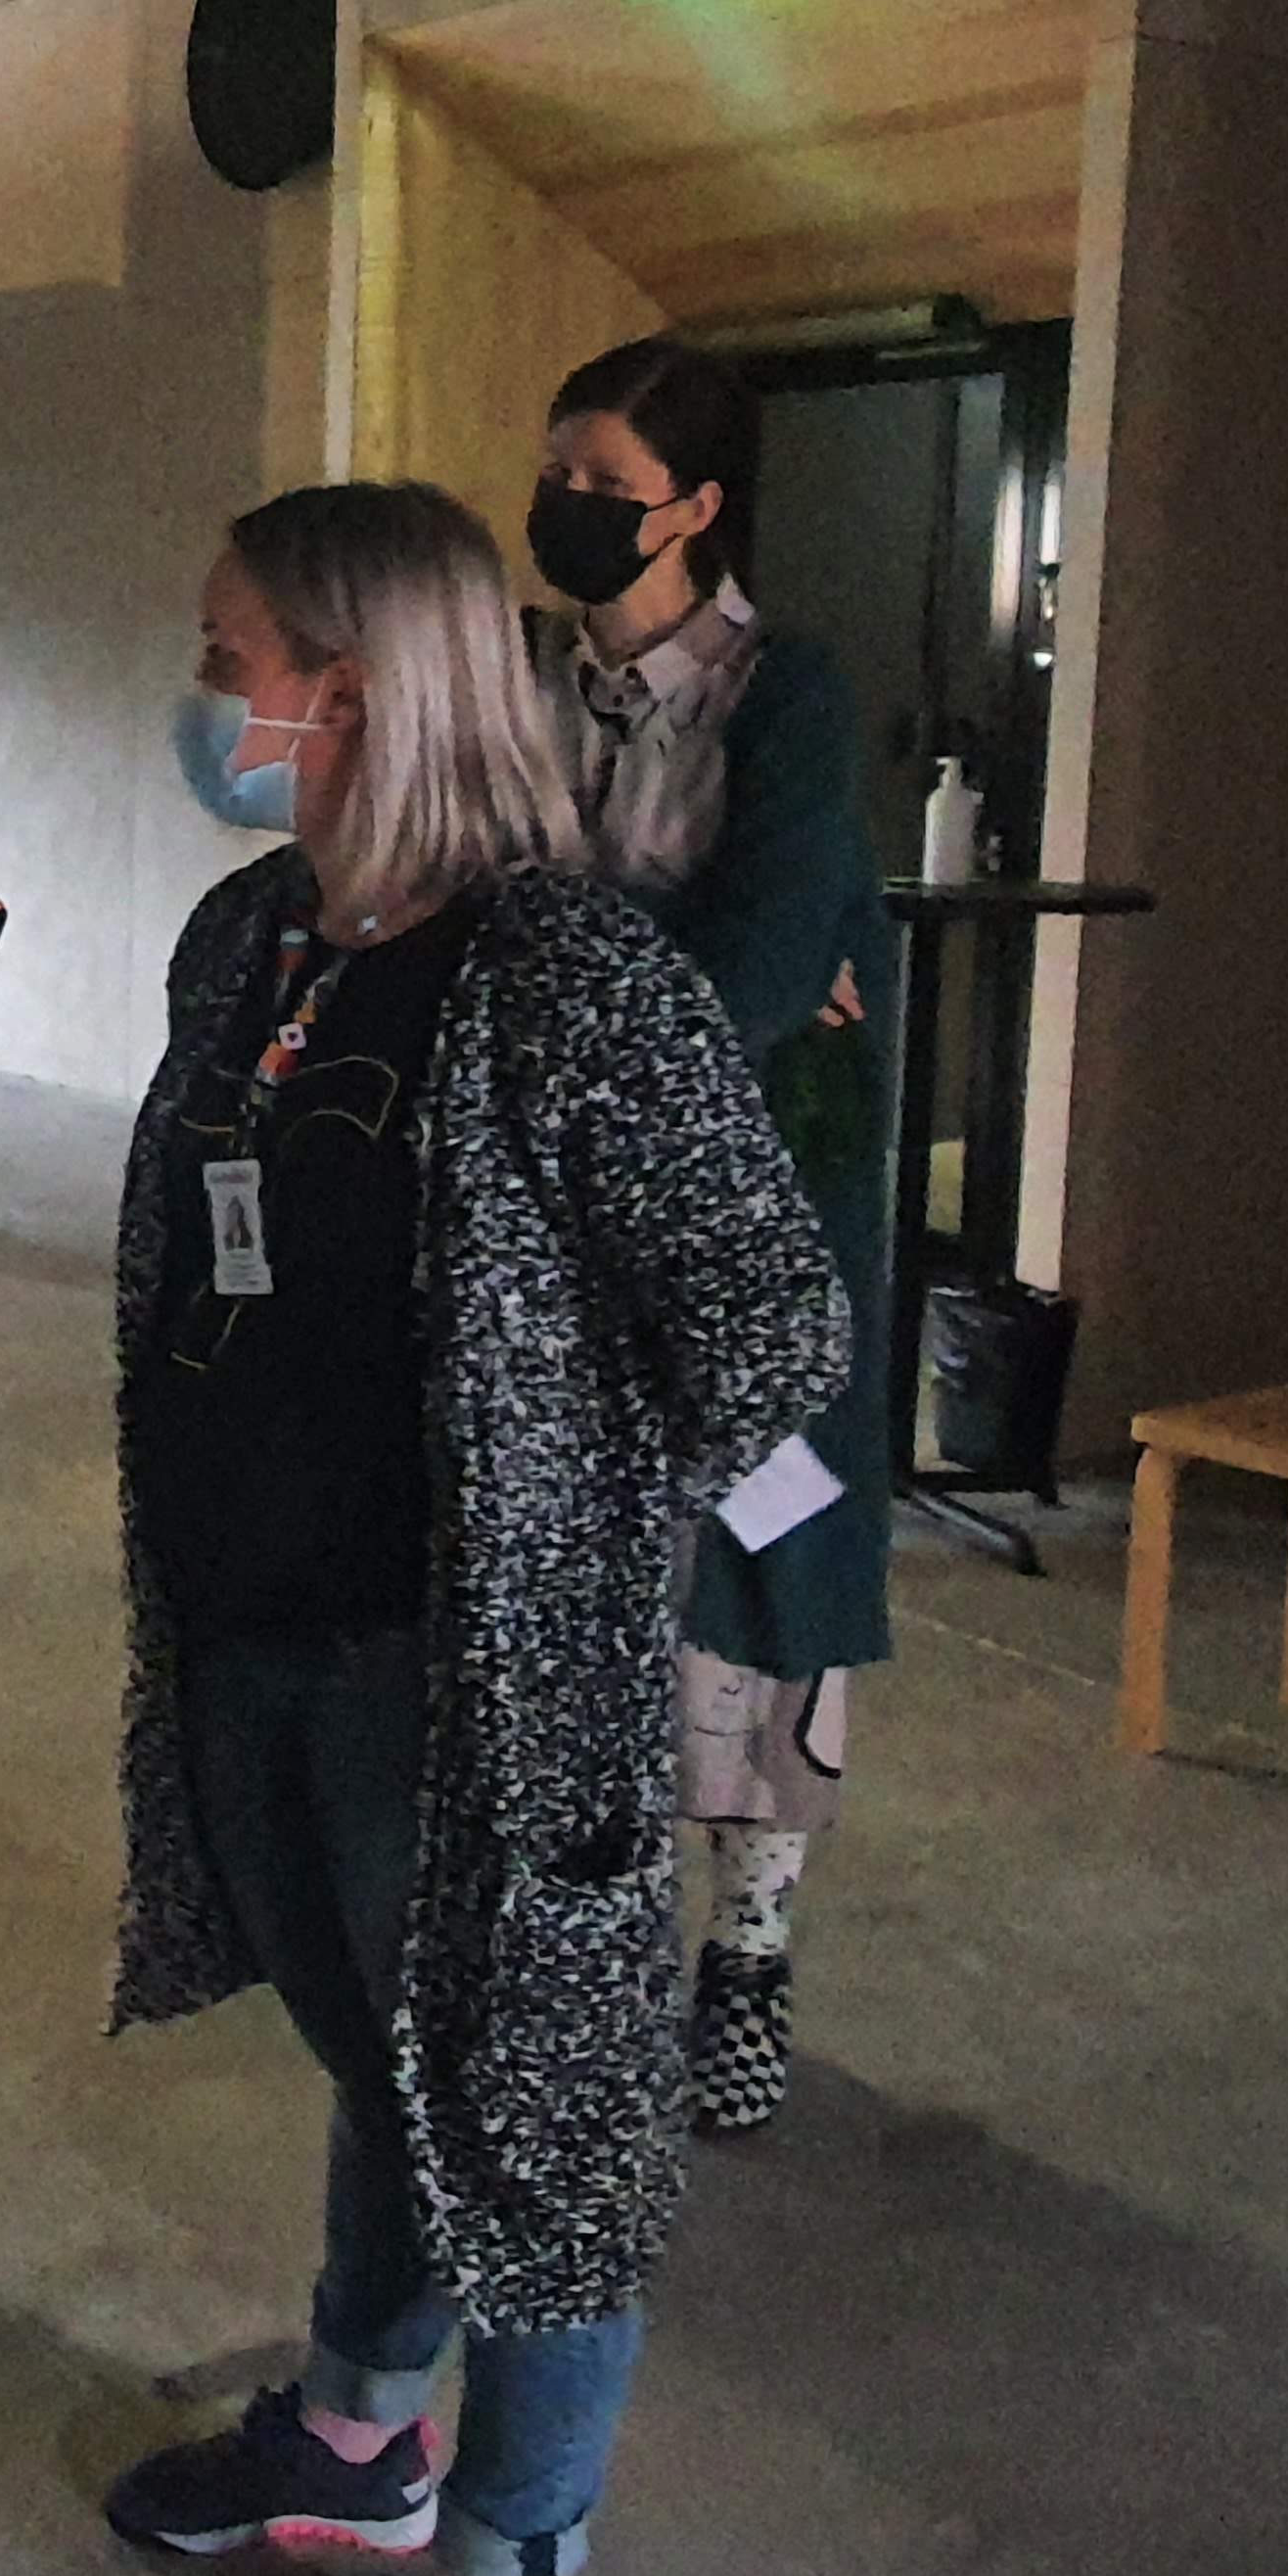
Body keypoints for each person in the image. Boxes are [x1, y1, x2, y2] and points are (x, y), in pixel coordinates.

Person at [104, 482, 850, 2576]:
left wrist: (590, 1536)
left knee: (536, 2125)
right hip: (250, 1623)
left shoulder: (568, 976)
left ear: (348, 690)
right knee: (387, 2053)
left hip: (472, 1680)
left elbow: (767, 1327)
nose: (205, 691)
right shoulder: (251, 938)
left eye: (230, 653)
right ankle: (359, 2434)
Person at [527, 334, 898, 2136]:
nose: (570, 508)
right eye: (559, 476)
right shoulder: (527, 680)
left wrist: (590, 976)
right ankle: (580, 1942)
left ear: (697, 508)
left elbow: (769, 957)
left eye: (608, 485)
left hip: (754, 1209)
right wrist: (675, 968)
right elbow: (481, 910)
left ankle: (747, 1954)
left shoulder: (783, 692)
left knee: (765, 1556)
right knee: (577, 1565)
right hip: (559, 1206)